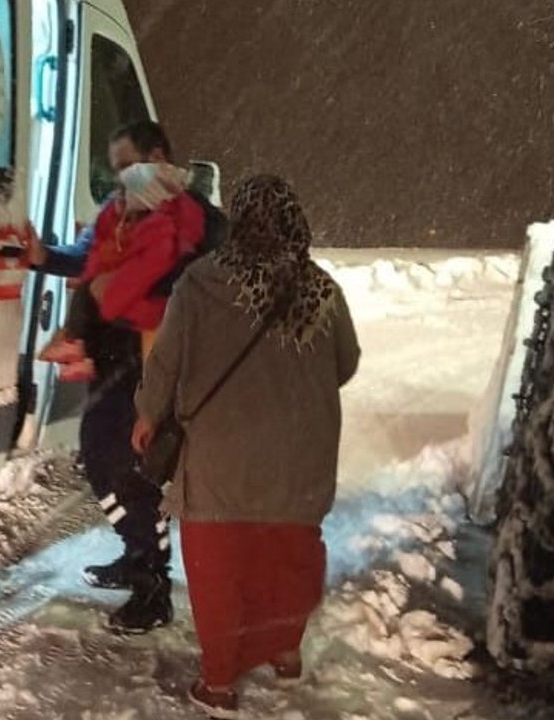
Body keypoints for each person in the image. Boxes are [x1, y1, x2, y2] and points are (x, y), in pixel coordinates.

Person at [132, 175, 361, 717]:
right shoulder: (323, 290)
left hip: (221, 455)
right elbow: (345, 363)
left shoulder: (201, 282)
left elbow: (166, 362)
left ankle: (218, 683)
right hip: (300, 455)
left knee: (219, 568)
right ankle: (284, 651)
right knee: (288, 556)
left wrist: (147, 414)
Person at [29, 120, 191, 633]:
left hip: (148, 357)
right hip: (111, 350)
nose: (120, 177)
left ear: (157, 157)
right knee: (99, 458)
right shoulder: (118, 209)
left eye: (127, 165)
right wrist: (44, 258)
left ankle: (153, 584)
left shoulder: (188, 216)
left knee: (131, 468)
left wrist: (111, 288)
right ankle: (136, 552)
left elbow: (183, 285)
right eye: (116, 168)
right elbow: (87, 258)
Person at [37, 161, 203, 382]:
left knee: (93, 295)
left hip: (147, 316)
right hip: (142, 312)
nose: (116, 200)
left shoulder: (159, 238)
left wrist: (103, 292)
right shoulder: (153, 230)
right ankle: (79, 346)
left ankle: (81, 348)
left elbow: (130, 284)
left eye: (123, 195)